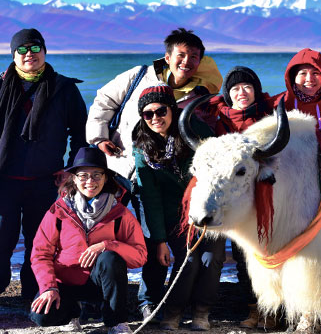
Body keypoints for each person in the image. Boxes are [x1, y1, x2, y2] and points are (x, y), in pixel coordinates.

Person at [0, 28, 87, 302]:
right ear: (13, 55)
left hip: (46, 181)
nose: (29, 55)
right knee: (2, 239)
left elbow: (80, 134)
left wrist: (71, 171)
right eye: (22, 50)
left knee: (40, 242)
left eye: (35, 48)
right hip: (5, 180)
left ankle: (33, 293)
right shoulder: (0, 88)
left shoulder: (64, 89)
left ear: (45, 52)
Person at [132, 85, 223, 331]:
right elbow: (150, 197)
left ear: (172, 110)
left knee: (213, 257)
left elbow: (217, 172)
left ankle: (202, 312)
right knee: (189, 259)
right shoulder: (142, 147)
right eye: (147, 114)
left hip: (208, 208)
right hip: (172, 215)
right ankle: (172, 312)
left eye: (161, 111)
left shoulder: (196, 131)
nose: (155, 118)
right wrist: (160, 240)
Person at [29, 146, 146, 334]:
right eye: (83, 175)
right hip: (65, 284)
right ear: (73, 179)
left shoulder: (120, 213)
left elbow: (139, 256)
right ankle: (73, 312)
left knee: (110, 258)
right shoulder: (58, 211)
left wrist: (108, 245)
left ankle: (116, 321)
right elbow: (40, 254)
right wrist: (49, 287)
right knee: (42, 317)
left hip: (100, 284)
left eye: (97, 175)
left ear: (106, 177)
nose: (90, 181)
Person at [86, 27, 223, 180]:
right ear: (168, 58)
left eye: (193, 57)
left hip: (160, 179)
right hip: (116, 167)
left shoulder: (200, 96)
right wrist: (99, 138)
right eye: (181, 55)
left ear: (199, 62)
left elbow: (205, 133)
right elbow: (104, 102)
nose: (186, 61)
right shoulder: (139, 76)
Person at [201, 66, 275, 329]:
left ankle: (275, 309)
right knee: (244, 256)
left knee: (273, 251)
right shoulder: (218, 121)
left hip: (269, 195)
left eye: (247, 87)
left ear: (256, 90)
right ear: (227, 95)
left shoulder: (273, 116)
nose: (242, 92)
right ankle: (255, 309)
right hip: (234, 199)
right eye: (235, 89)